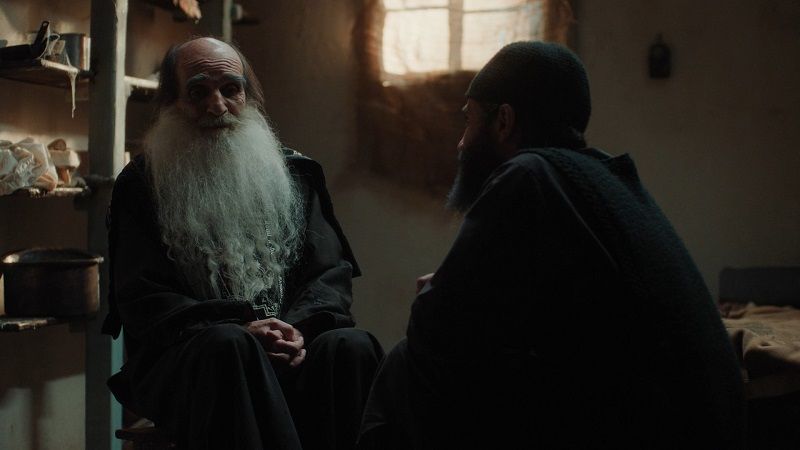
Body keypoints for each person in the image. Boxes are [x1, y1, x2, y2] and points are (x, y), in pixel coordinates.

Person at [358, 41, 745, 449]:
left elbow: (437, 326)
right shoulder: (603, 176)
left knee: (408, 364)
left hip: (652, 429)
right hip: (701, 426)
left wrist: (443, 291)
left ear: (503, 121)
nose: (460, 142)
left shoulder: (528, 175)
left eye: (469, 120)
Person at [101, 37, 383, 450]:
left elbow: (329, 273)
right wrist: (243, 328)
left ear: (247, 96)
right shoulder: (142, 184)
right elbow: (143, 295)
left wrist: (295, 331)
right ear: (173, 103)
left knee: (351, 347)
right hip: (190, 358)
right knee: (230, 345)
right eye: (198, 92)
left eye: (230, 89)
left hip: (288, 346)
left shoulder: (294, 173)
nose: (217, 106)